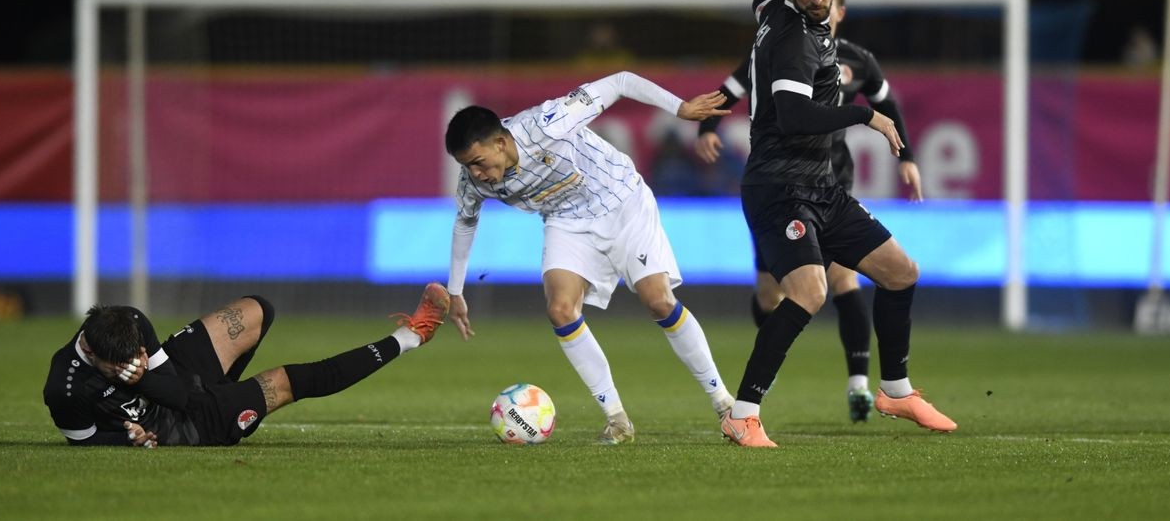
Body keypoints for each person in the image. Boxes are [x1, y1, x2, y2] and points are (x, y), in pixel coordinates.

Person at [718, 0, 956, 447]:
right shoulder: (793, 39)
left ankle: (894, 389)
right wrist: (863, 117)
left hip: (820, 184)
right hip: (779, 185)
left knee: (900, 272)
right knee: (809, 291)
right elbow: (795, 114)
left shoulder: (771, 5)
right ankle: (742, 411)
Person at [442, 71, 737, 444]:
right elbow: (464, 224)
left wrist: (680, 108)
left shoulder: (547, 122)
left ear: (500, 143)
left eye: (478, 162)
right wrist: (456, 291)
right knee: (561, 309)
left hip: (621, 200)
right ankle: (617, 419)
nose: (475, 174)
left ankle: (724, 403)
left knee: (659, 301)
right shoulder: (473, 182)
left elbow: (621, 81)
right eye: (467, 166)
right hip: (567, 219)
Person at [696, 0, 924, 423]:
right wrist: (707, 125)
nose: (822, 3)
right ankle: (760, 381)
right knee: (771, 295)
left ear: (841, 9)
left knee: (844, 281)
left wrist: (906, 155)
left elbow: (887, 106)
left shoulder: (856, 60)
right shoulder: (785, 45)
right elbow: (739, 90)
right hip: (779, 186)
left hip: (829, 183)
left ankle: (862, 385)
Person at [43, 284, 451, 447]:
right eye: (121, 366)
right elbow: (83, 442)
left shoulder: (129, 320)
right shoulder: (64, 387)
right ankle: (411, 336)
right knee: (293, 379)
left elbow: (177, 387)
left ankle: (228, 395)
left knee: (257, 310)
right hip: (181, 426)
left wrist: (143, 373)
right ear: (93, 356)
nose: (132, 362)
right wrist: (130, 438)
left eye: (137, 354)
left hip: (175, 386)